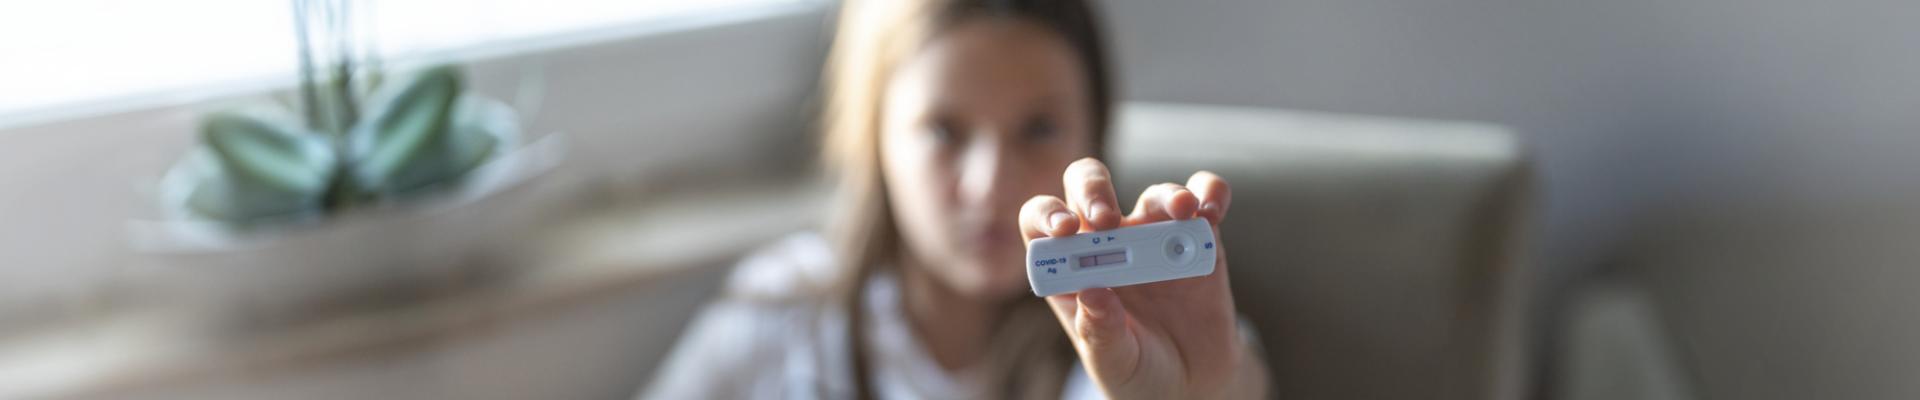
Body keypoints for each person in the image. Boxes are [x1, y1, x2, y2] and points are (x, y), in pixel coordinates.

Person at [641, 0, 1269, 398]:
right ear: (873, 136)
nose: (989, 185)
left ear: (1093, 133)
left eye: (1038, 129)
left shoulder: (1141, 332)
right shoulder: (779, 317)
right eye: (944, 131)